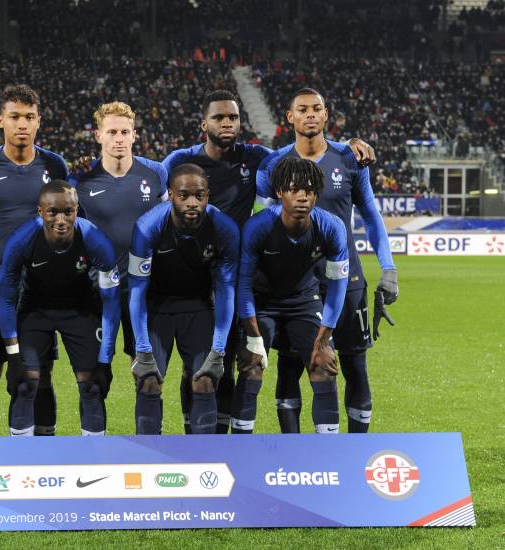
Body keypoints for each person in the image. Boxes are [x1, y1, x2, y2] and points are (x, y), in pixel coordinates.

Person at [163, 89, 376, 434]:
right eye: (219, 117)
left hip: (238, 279)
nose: (228, 123)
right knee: (204, 366)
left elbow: (297, 156)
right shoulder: (179, 162)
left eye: (233, 117)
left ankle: (313, 451)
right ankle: (206, 444)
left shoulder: (258, 159)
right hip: (199, 279)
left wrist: (347, 143)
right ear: (204, 123)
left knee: (242, 361)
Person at [256, 87, 398, 434]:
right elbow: (259, 222)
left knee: (353, 365)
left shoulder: (350, 159)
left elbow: (371, 215)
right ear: (290, 117)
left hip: (345, 279)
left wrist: (388, 267)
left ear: (326, 115)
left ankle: (352, 452)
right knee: (290, 366)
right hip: (292, 283)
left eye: (316, 109)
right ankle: (294, 452)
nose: (310, 115)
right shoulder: (273, 164)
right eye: (302, 109)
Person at [0, 84, 69, 436]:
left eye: (29, 117)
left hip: (40, 289)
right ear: (0, 121)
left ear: (39, 122)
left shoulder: (54, 165)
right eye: (14, 117)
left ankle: (42, 452)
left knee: (39, 373)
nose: (21, 124)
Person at [233, 157, 348, 434]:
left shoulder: (332, 227)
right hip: (263, 303)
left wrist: (325, 337)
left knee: (324, 364)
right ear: (280, 192)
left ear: (317, 193)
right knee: (252, 365)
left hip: (304, 301)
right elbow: (243, 284)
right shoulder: (258, 226)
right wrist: (253, 337)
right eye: (294, 189)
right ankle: (238, 448)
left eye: (308, 190)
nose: (302, 197)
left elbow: (337, 284)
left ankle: (327, 453)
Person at [0, 181, 119, 436]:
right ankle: (23, 464)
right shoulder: (21, 241)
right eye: (53, 212)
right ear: (40, 211)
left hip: (80, 309)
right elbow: (7, 300)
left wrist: (105, 361)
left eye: (69, 212)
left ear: (77, 210)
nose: (61, 219)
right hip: (35, 310)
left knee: (92, 386)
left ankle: (94, 459)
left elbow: (111, 301)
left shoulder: (96, 241)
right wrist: (13, 357)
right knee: (24, 385)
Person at [127, 163, 239, 435]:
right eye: (184, 195)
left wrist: (219, 349)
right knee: (148, 380)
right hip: (155, 308)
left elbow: (226, 290)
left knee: (204, 380)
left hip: (198, 306)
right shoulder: (147, 227)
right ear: (170, 194)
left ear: (208, 195)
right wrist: (142, 349)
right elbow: (136, 290)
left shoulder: (224, 229)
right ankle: (150, 456)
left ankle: (203, 461)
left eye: (199, 196)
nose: (192, 203)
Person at [73, 101, 169, 399]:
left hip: (143, 291)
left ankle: (149, 442)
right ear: (99, 135)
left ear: (134, 135)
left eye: (125, 132)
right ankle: (94, 444)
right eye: (112, 131)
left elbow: (167, 226)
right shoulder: (81, 182)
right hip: (94, 293)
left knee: (149, 379)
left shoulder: (155, 175)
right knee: (91, 382)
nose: (119, 138)